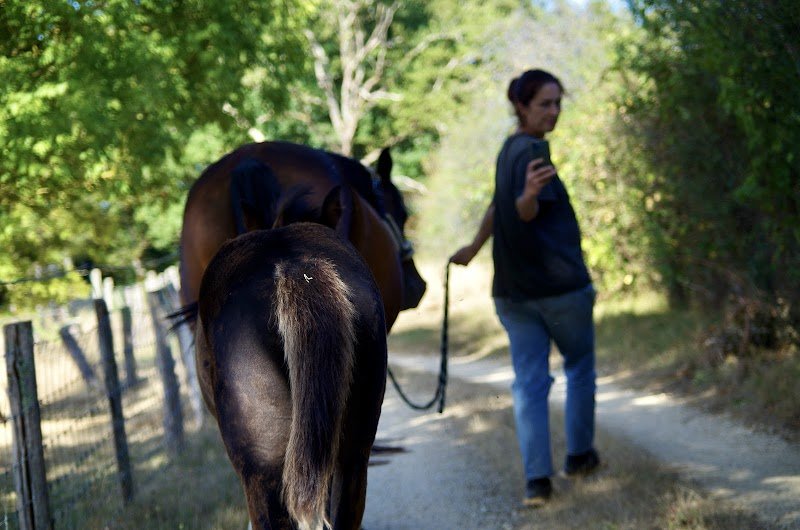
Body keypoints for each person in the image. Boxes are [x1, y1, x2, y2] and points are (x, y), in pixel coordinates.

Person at [449, 69, 600, 507]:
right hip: (559, 289)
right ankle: (579, 457)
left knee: (529, 383)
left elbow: (500, 205)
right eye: (545, 104)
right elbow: (522, 210)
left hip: (512, 294)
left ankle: (538, 482)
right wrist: (530, 196)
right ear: (521, 106)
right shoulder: (535, 151)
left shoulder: (506, 149)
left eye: (558, 102)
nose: (554, 112)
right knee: (580, 370)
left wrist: (474, 248)